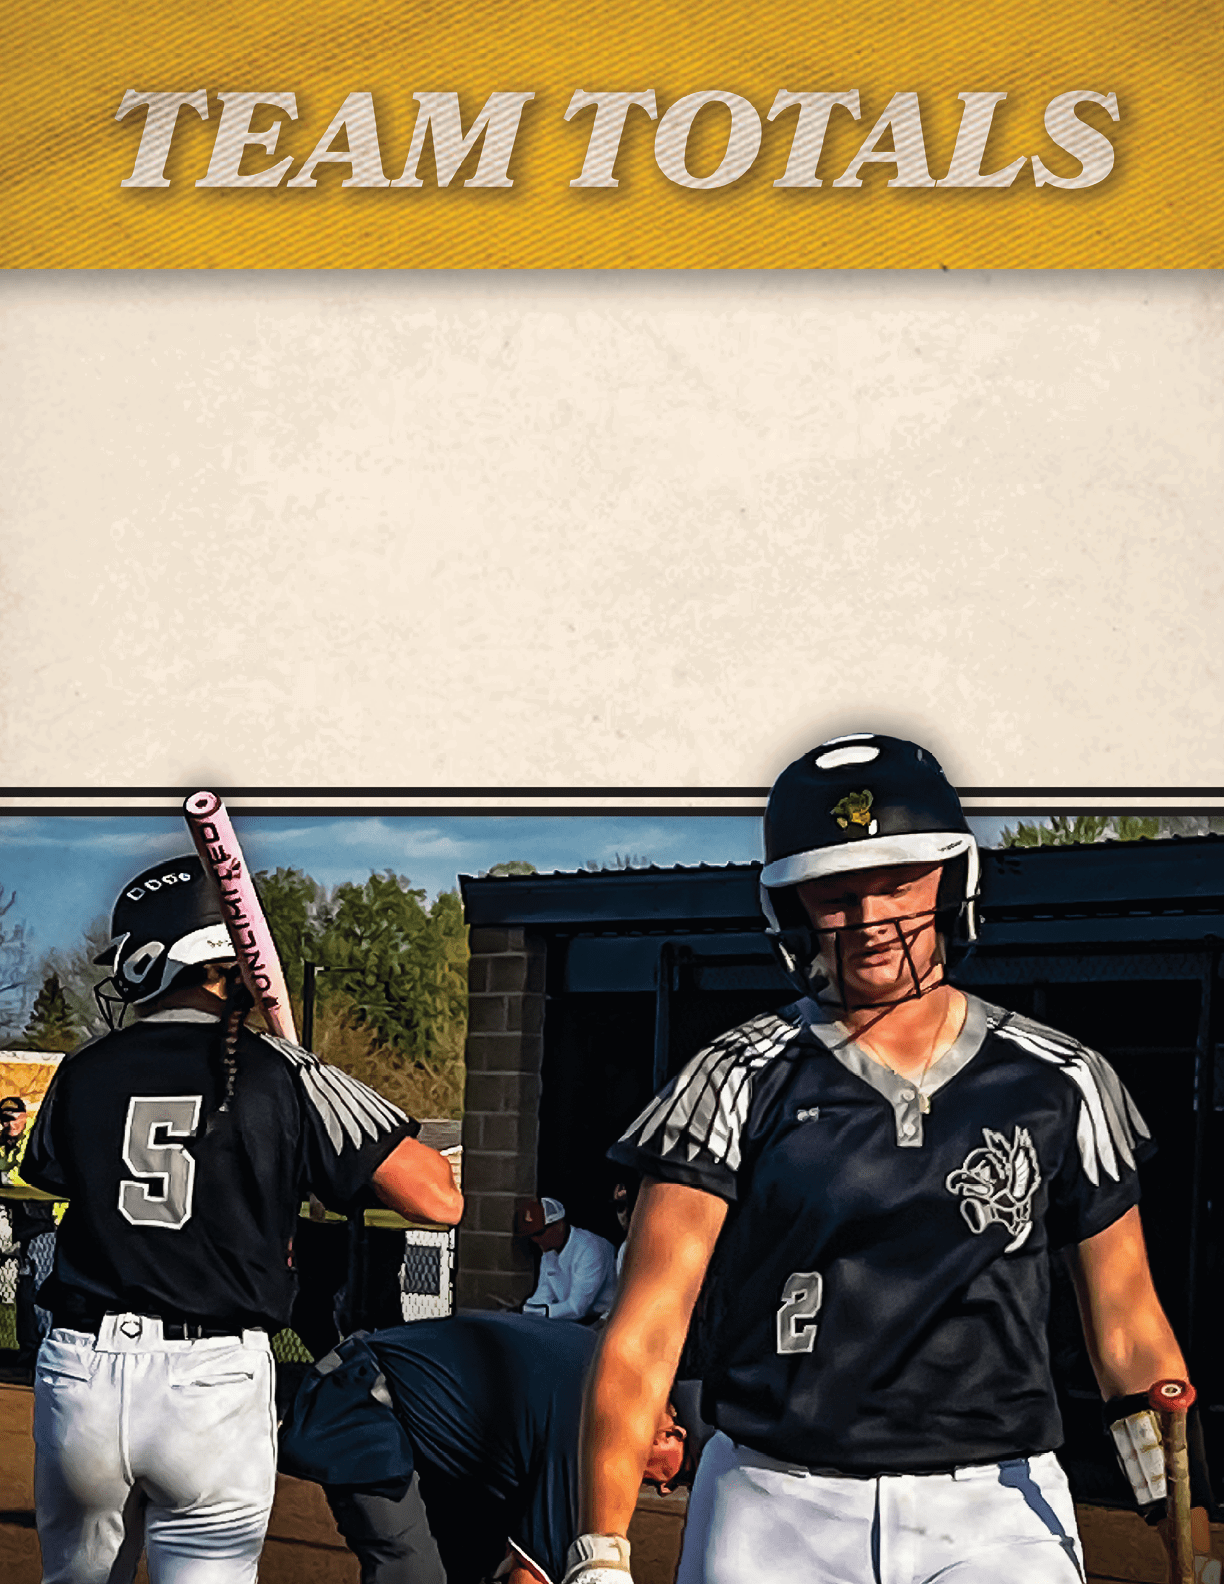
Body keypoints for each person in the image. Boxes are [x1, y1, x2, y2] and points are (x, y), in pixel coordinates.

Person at [564, 733, 1216, 1584]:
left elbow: (1129, 1329)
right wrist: (599, 1553)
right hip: (774, 1500)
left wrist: (1186, 1532)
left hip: (997, 1507)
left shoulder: (1064, 1079)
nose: (870, 920)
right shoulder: (729, 1078)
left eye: (896, 882)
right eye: (834, 894)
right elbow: (647, 1327)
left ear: (953, 875)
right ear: (793, 907)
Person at [20, 853, 464, 1584]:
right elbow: (437, 1198)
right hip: (210, 1381)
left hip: (82, 1374)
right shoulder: (280, 1071)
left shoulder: (84, 1069)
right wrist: (314, 1089)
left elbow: (55, 1174)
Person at [277, 1310, 688, 1584]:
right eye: (671, 1479)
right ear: (673, 1433)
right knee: (412, 1574)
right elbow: (532, 1576)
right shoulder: (588, 1426)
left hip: (430, 1438)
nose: (657, 1488)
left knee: (482, 1565)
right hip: (364, 1403)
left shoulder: (606, 1378)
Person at [0, 1094, 59, 1374]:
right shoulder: (6, 1145)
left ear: (24, 1116)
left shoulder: (33, 1141)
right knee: (23, 1290)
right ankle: (28, 1348)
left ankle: (46, 1347)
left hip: (45, 1225)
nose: (9, 1123)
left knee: (40, 1287)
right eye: (4, 1118)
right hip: (23, 1226)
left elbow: (24, 1179)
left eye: (13, 1117)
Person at [517, 1197, 617, 1322]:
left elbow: (577, 1309)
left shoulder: (590, 1248)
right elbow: (543, 1295)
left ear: (559, 1224)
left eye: (540, 1233)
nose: (536, 1240)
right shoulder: (549, 1253)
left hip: (604, 1321)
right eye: (531, 1235)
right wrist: (529, 1308)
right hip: (569, 1321)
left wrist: (540, 1311)